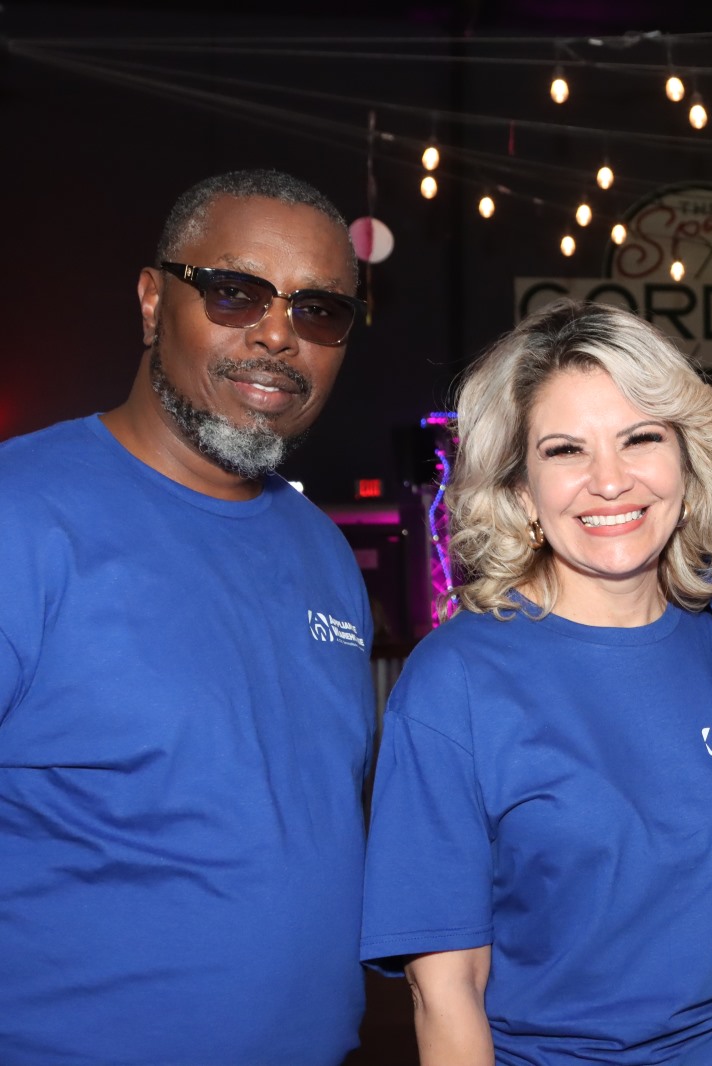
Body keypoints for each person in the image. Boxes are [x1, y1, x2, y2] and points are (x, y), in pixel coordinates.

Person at [0, 170, 375, 1064]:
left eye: (319, 311)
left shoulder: (324, 552)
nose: (278, 335)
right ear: (149, 300)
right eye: (235, 293)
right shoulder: (22, 517)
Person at [360, 301, 712, 1066]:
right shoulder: (456, 683)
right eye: (565, 451)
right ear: (521, 489)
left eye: (640, 438)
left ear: (686, 460)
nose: (609, 482)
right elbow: (444, 991)